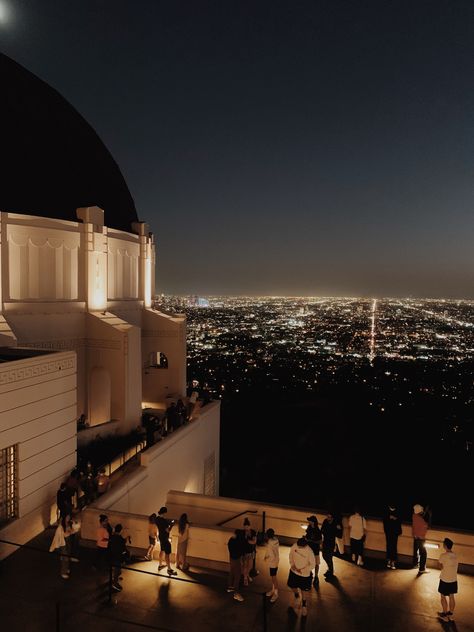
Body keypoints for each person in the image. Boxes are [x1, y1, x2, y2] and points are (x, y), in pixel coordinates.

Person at [287, 537, 315, 617]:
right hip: (294, 571)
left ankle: (304, 605)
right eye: (298, 546)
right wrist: (292, 565)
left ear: (305, 545)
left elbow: (312, 564)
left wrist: (303, 570)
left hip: (304, 575)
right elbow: (290, 555)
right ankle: (296, 594)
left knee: (303, 590)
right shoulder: (294, 546)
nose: (298, 547)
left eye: (300, 547)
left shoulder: (309, 551)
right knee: (292, 585)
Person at [438, 538, 458, 623]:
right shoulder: (455, 556)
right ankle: (450, 615)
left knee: (443, 596)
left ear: (445, 546)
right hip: (453, 580)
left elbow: (440, 566)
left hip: (445, 579)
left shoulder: (443, 555)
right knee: (451, 596)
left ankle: (445, 615)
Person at [156, 506, 177, 575]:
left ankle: (160, 565)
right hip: (165, 537)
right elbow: (167, 530)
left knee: (162, 550)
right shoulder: (164, 521)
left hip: (161, 537)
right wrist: (171, 525)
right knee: (167, 553)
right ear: (164, 513)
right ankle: (169, 569)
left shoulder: (157, 519)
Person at [321, 512, 343, 578]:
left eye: (329, 517)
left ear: (332, 518)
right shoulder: (325, 521)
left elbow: (339, 535)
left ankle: (330, 572)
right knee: (324, 555)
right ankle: (329, 569)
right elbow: (322, 530)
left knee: (329, 558)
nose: (328, 518)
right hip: (325, 542)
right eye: (327, 517)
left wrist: (339, 529)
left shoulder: (336, 524)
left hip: (331, 543)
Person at [108, 524, 129, 591]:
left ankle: (114, 578)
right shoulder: (120, 539)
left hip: (111, 555)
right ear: (121, 530)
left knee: (116, 570)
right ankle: (115, 584)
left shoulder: (112, 536)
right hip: (117, 557)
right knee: (117, 570)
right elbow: (123, 547)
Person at [227, 529, 245, 602]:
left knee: (232, 572)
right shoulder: (239, 542)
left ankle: (230, 587)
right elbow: (241, 551)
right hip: (237, 559)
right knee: (237, 576)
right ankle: (236, 593)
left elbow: (229, 547)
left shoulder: (231, 540)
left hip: (231, 558)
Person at [383, 504, 402, 569]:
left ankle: (391, 561)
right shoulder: (396, 512)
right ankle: (390, 561)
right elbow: (384, 521)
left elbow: (399, 521)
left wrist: (393, 518)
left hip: (392, 532)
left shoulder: (387, 512)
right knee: (391, 546)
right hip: (391, 532)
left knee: (391, 546)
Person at [305, 515, 322, 587]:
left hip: (315, 550)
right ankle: (310, 574)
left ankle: (316, 576)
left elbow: (320, 541)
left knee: (316, 563)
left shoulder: (317, 530)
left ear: (313, 522)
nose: (309, 522)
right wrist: (306, 539)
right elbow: (307, 536)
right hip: (309, 549)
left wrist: (311, 541)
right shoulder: (309, 529)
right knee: (309, 562)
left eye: (310, 521)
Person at [264, 528, 280, 602]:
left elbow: (271, 554)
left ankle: (276, 594)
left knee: (274, 578)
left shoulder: (270, 542)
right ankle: (273, 590)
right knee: (274, 577)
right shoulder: (276, 540)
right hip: (276, 560)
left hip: (273, 562)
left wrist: (267, 558)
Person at [412, 504, 429, 573]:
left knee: (416, 552)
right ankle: (422, 569)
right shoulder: (421, 519)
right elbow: (426, 526)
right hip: (421, 538)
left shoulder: (414, 516)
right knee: (423, 553)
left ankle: (415, 564)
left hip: (415, 537)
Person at [242, 518, 257, 586]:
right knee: (245, 565)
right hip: (245, 552)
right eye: (245, 527)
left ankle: (247, 575)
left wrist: (247, 541)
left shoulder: (253, 532)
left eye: (247, 527)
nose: (246, 529)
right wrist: (249, 541)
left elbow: (254, 541)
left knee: (250, 566)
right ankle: (245, 578)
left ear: (249, 526)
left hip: (251, 552)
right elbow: (242, 542)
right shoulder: (242, 533)